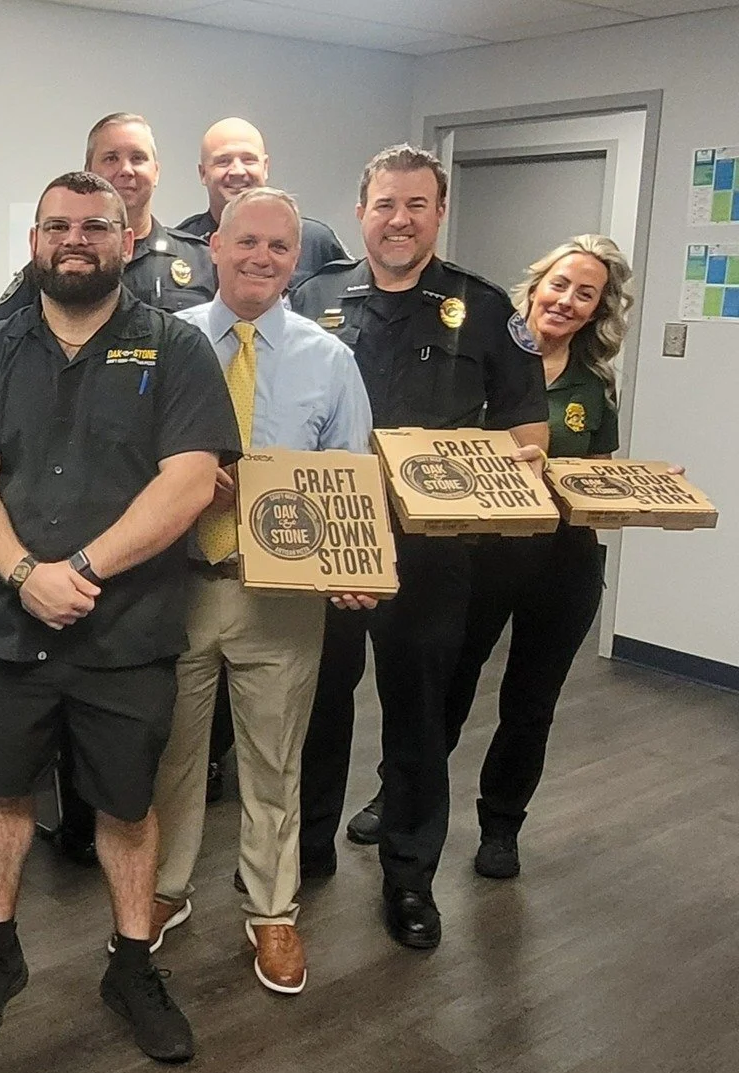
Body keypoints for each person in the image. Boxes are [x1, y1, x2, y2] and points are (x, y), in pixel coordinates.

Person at [0, 171, 238, 1063]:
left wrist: (79, 569)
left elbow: (189, 481)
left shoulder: (177, 348)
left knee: (127, 803)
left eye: (95, 226)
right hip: (8, 622)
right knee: (1, 795)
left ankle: (132, 964)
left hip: (128, 626)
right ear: (35, 240)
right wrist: (24, 573)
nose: (76, 239)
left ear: (127, 240)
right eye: (59, 226)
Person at [291, 145, 549, 950]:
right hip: (328, 537)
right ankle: (305, 851)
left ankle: (408, 877)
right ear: (361, 211)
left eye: (415, 205)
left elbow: (528, 431)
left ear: (439, 212)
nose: (398, 220)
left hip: (431, 550)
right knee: (317, 706)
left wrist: (496, 471)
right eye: (384, 204)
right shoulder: (311, 296)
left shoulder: (485, 308)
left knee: (418, 716)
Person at [149, 188, 376, 996]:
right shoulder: (165, 343)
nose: (262, 258)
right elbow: (129, 459)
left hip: (279, 595)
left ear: (295, 261)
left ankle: (272, 907)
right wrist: (184, 482)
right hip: (176, 586)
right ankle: (165, 886)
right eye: (247, 241)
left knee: (274, 759)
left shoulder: (330, 359)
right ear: (215, 245)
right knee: (172, 754)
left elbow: (352, 479)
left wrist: (354, 567)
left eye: (280, 247)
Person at [439, 235, 634, 879]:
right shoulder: (478, 360)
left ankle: (501, 826)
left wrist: (641, 489)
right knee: (447, 683)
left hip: (563, 561)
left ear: (597, 311)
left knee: (531, 702)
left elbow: (597, 475)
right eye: (560, 284)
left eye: (587, 294)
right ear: (536, 285)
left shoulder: (594, 387)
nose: (567, 300)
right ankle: (402, 798)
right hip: (482, 553)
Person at [0, 113, 215, 326]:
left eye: (138, 158)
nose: (126, 170)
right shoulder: (56, 265)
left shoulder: (202, 261)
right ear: (88, 172)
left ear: (156, 172)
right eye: (111, 158)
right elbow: (1, 340)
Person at [177, 118, 351, 288]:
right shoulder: (181, 248)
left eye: (248, 160)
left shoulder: (315, 242)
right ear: (203, 173)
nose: (238, 171)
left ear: (265, 167)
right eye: (223, 161)